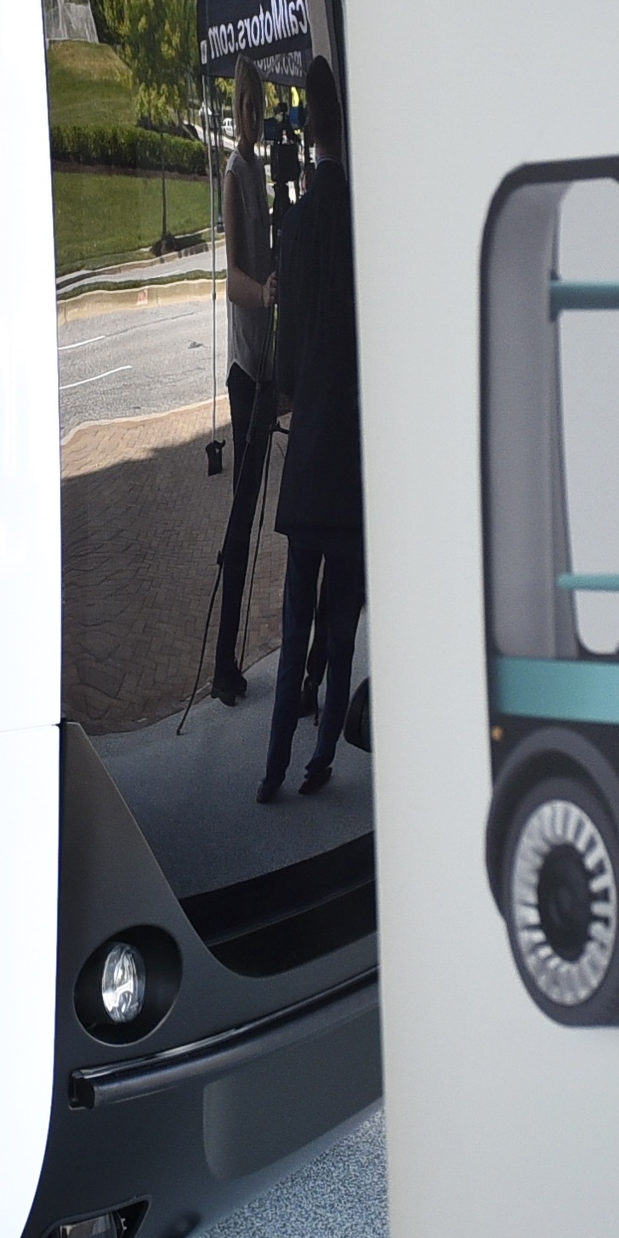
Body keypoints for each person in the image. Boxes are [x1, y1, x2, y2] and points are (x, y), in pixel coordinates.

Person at [257, 62, 363, 804]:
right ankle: (322, 756)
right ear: (344, 125)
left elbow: (285, 361)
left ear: (306, 128)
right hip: (355, 464)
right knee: (340, 622)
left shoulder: (295, 224)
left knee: (296, 620)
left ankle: (270, 767)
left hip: (311, 456)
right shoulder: (366, 216)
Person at [209, 62, 282, 705]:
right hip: (244, 369)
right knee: (241, 511)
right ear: (237, 109)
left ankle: (228, 660)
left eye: (262, 105)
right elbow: (231, 276)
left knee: (252, 509)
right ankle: (222, 662)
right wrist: (265, 290)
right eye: (248, 106)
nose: (255, 115)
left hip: (267, 361)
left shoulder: (260, 172)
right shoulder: (235, 175)